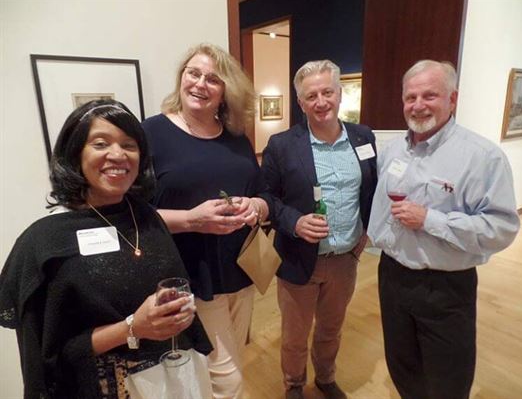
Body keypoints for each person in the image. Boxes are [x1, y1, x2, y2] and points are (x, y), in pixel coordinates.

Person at [0, 100, 212, 398]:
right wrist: (132, 328)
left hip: (168, 381)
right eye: (101, 143)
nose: (117, 154)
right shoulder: (43, 243)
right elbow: (49, 357)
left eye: (129, 145)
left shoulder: (147, 218)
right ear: (75, 153)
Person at [367, 60, 520, 399]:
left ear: (453, 98)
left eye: (429, 95)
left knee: (448, 379)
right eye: (410, 97)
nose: (418, 105)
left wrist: (431, 220)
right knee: (402, 367)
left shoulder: (483, 157)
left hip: (445, 286)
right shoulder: (393, 149)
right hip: (391, 276)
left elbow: (502, 227)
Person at [142, 43, 269, 399]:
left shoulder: (236, 137)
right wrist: (192, 219)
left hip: (241, 269)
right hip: (191, 273)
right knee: (226, 379)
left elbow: (264, 193)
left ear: (226, 91)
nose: (200, 83)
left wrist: (255, 206)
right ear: (181, 78)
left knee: (228, 361)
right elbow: (131, 215)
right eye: (193, 73)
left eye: (213, 78)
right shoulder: (151, 132)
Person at [261, 60, 377, 399]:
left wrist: (366, 232)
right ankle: (294, 385)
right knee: (295, 336)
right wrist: (293, 221)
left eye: (328, 92)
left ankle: (325, 378)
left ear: (340, 94)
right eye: (311, 95)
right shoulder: (282, 145)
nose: (321, 101)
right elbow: (265, 196)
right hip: (299, 258)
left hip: (345, 258)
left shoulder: (363, 137)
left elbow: (371, 188)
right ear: (301, 103)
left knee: (331, 329)